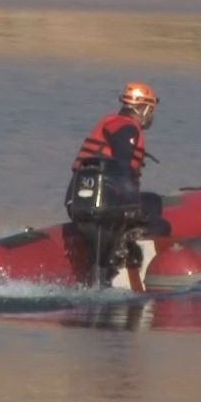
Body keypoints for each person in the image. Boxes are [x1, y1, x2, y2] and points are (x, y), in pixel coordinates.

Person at [66, 81, 169, 277]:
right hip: (107, 204)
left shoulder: (109, 123)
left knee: (152, 201)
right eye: (151, 109)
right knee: (160, 221)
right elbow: (122, 171)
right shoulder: (128, 130)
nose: (152, 115)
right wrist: (135, 210)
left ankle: (109, 255)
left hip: (76, 201)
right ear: (144, 108)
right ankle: (136, 268)